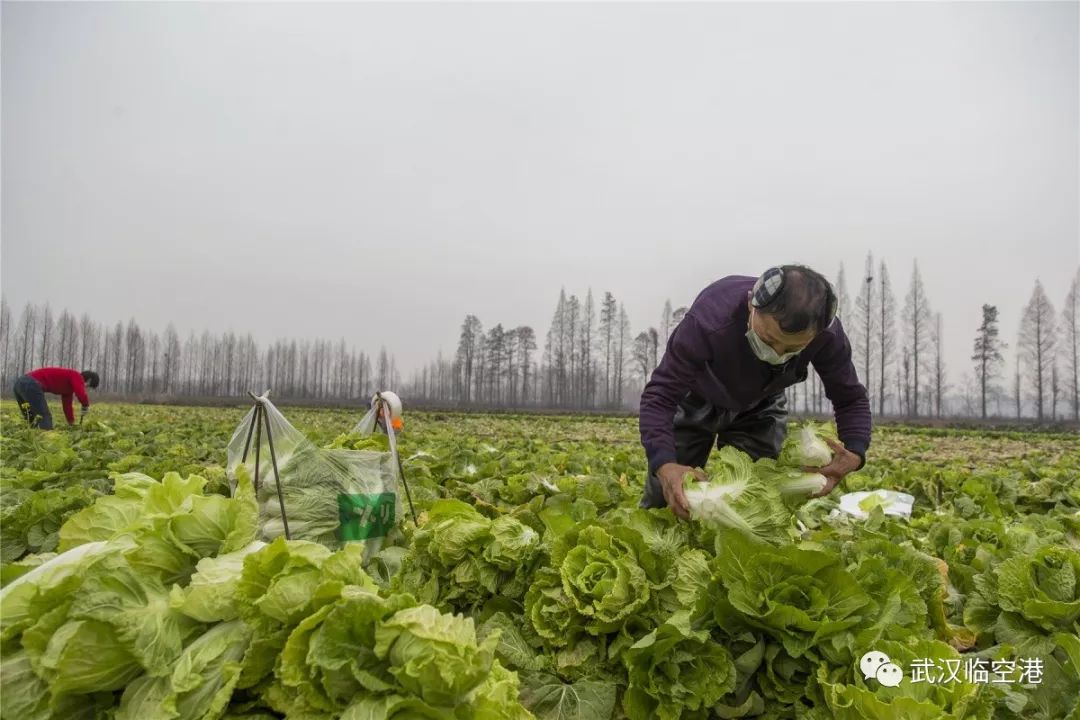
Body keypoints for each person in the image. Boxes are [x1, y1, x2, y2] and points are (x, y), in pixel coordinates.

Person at [639, 265, 871, 519]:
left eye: (793, 349)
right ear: (752, 304)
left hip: (761, 404)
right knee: (667, 496)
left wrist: (856, 451)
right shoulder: (710, 319)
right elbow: (661, 394)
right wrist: (664, 464)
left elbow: (849, 397)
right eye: (769, 340)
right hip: (697, 396)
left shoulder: (827, 336)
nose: (778, 354)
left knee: (754, 498)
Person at [12, 367, 99, 430]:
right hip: (30, 384)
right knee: (44, 418)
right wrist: (85, 405)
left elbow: (67, 406)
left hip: (19, 385)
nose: (86, 388)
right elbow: (80, 393)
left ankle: (30, 442)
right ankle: (44, 448)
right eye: (88, 386)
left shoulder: (68, 388)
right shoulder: (76, 376)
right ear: (89, 380)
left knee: (30, 418)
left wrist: (71, 423)